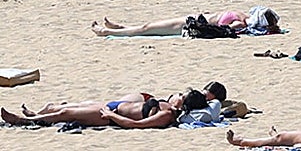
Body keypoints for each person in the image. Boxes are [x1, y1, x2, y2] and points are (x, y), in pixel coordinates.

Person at [3, 89, 207, 129]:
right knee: (58, 107)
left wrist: (110, 114)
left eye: (182, 96)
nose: (177, 96)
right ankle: (37, 114)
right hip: (112, 106)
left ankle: (24, 121)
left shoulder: (165, 115)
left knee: (64, 114)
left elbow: (135, 124)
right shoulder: (166, 104)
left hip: (110, 116)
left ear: (184, 105)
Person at [91, 6, 280, 36]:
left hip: (190, 25)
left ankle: (109, 32)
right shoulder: (243, 16)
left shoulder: (240, 23)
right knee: (149, 26)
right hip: (195, 19)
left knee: (148, 28)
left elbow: (223, 31)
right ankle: (121, 27)